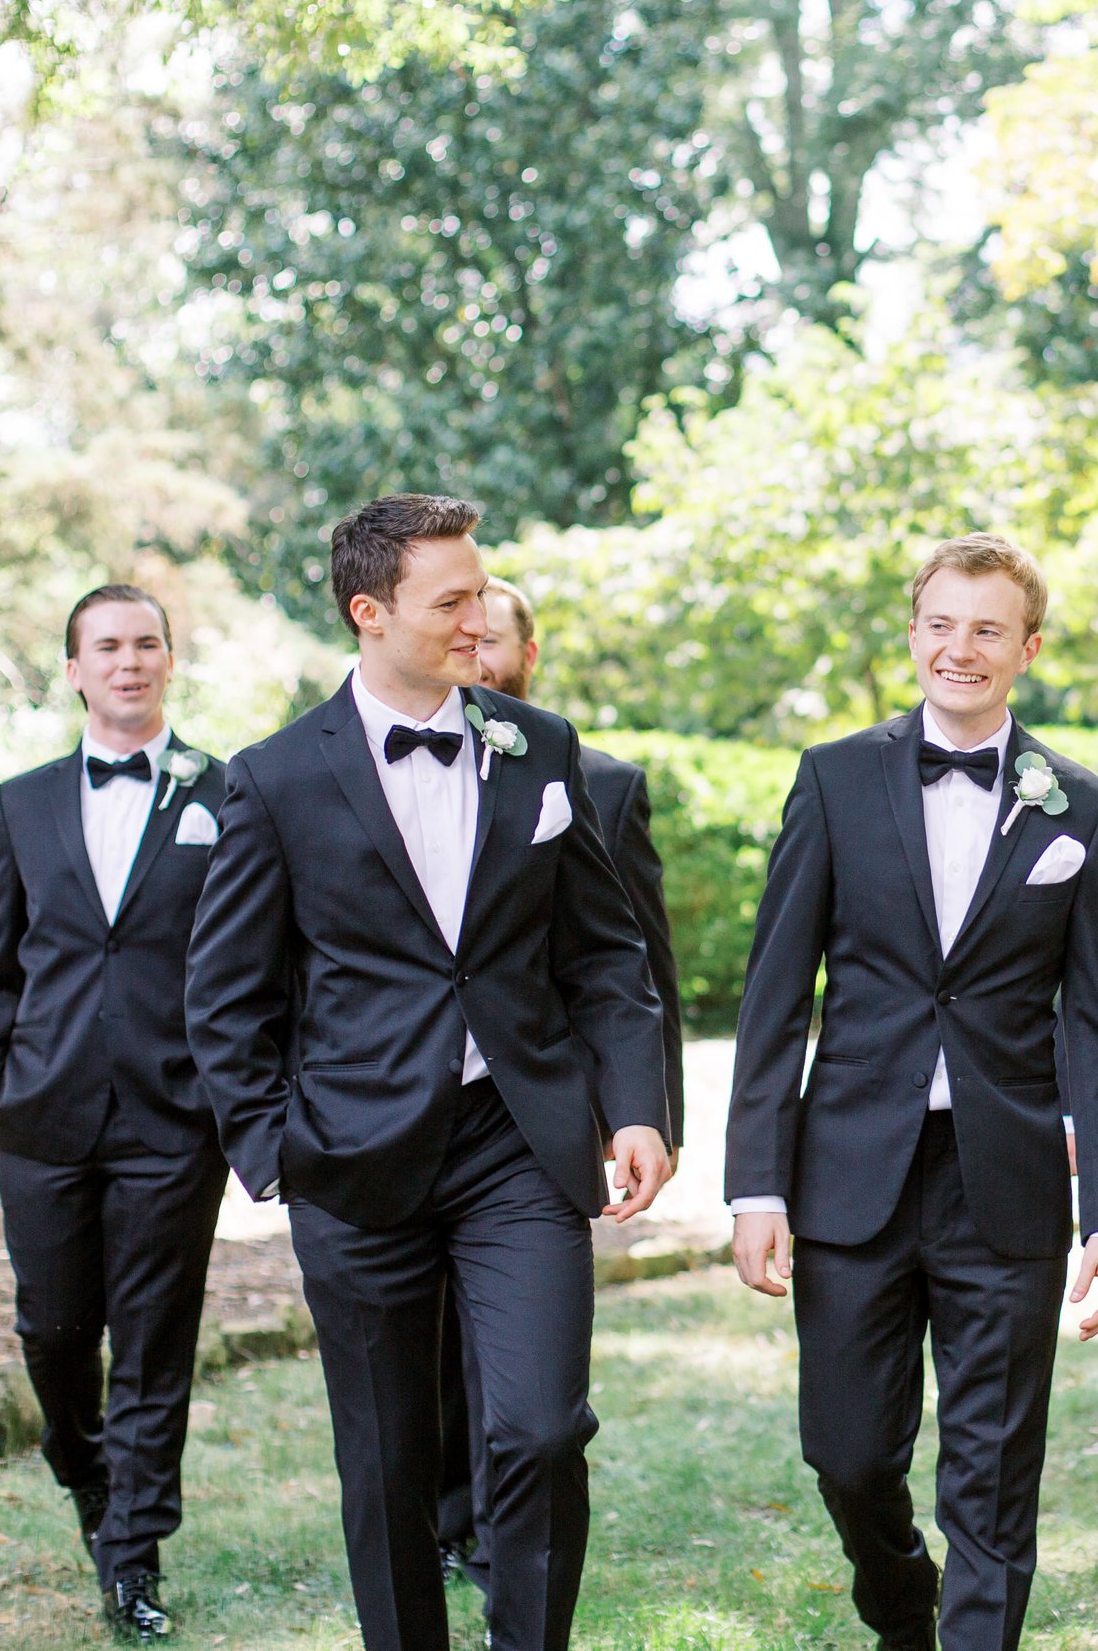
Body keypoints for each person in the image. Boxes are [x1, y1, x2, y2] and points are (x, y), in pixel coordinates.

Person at [184, 493, 672, 1651]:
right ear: (369, 612)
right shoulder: (274, 778)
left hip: (520, 1141)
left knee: (544, 1429)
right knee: (389, 1455)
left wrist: (637, 1107)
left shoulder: (537, 747)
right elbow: (224, 992)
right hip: (354, 1159)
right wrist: (278, 1150)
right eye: (447, 601)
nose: (474, 620)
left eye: (476, 593)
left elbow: (607, 948)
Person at [726, 533, 1098, 1651]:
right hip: (850, 1172)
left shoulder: (1084, 808)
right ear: (913, 633)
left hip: (1003, 1180)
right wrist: (754, 1188)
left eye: (987, 629)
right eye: (941, 624)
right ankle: (903, 1603)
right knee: (848, 1454)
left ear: (1028, 649)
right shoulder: (834, 777)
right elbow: (775, 1002)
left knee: (995, 1467)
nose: (959, 648)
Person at [0, 584, 231, 1643]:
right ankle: (88, 1480)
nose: (127, 660)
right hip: (43, 1117)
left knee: (157, 1341)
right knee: (54, 1330)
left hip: (175, 1122)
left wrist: (223, 1097)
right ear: (73, 670)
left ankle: (133, 1557)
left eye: (145, 643)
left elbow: (253, 959)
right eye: (105, 646)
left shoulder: (227, 792)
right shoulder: (20, 803)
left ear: (169, 660)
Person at [431, 575, 686, 1586]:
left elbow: (634, 960)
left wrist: (644, 1113)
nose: (477, 653)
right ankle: (451, 1511)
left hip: (540, 1111)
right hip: (405, 1107)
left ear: (525, 656)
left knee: (523, 1363)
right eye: (463, 632)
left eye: (493, 639)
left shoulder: (595, 776)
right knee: (438, 1339)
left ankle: (500, 1533)